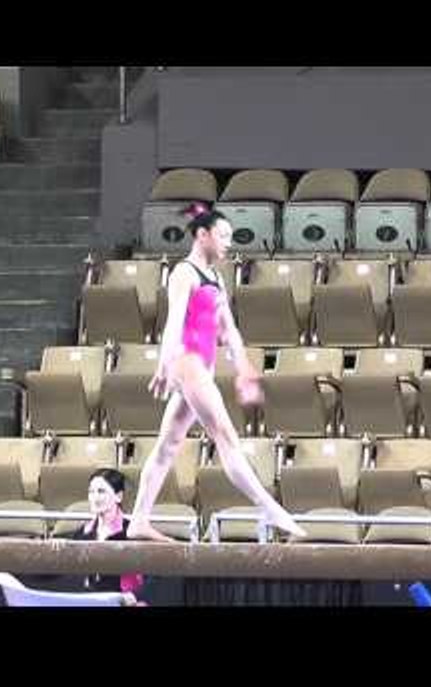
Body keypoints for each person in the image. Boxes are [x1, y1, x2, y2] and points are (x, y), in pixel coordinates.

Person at [126, 204, 306, 542]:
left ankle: (138, 520)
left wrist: (243, 368)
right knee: (225, 435)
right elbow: (174, 321)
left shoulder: (217, 278)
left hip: (202, 367)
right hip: (187, 361)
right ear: (202, 235)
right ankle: (269, 507)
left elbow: (229, 330)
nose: (228, 243)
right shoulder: (184, 273)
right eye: (222, 235)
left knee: (169, 445)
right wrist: (164, 364)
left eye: (230, 237)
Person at [69, 468, 146, 606]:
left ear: (118, 496)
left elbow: (153, 578)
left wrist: (134, 596)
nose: (95, 497)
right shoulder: (83, 532)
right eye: (91, 492)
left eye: (101, 491)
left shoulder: (132, 532)